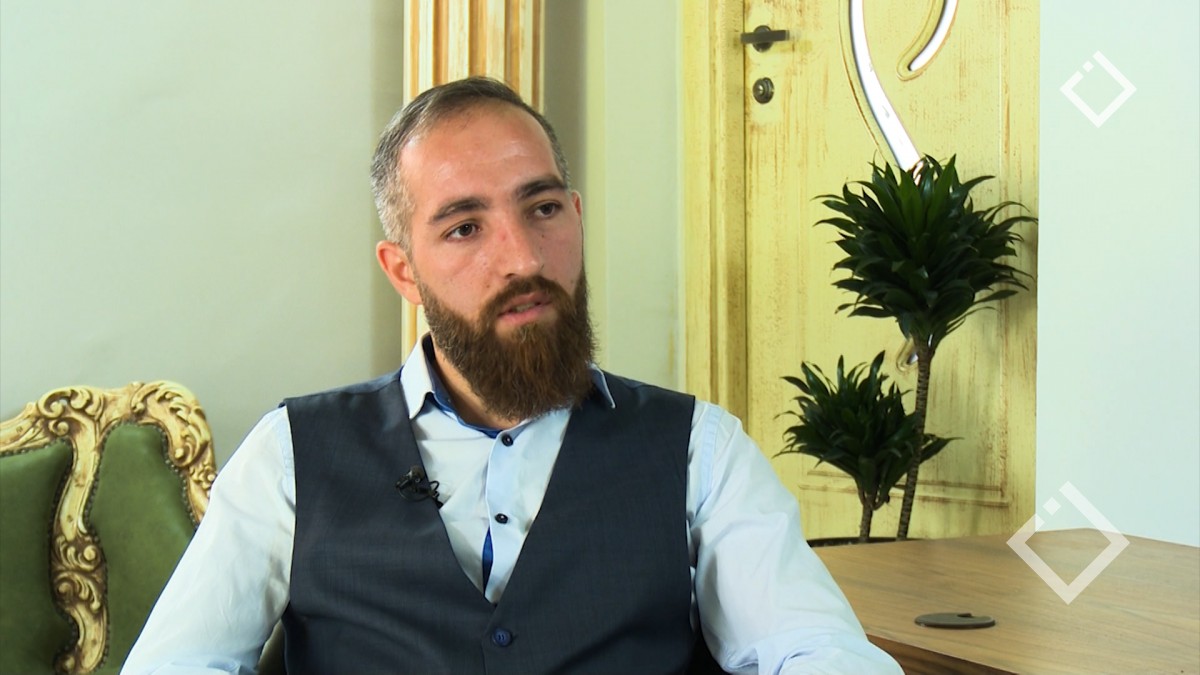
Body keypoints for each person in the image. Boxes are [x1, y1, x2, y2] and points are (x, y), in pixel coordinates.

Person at [123, 76, 902, 674]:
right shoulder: (291, 455)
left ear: (577, 216)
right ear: (403, 270)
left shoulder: (701, 450)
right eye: (465, 227)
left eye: (543, 209)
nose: (524, 258)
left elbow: (817, 649)